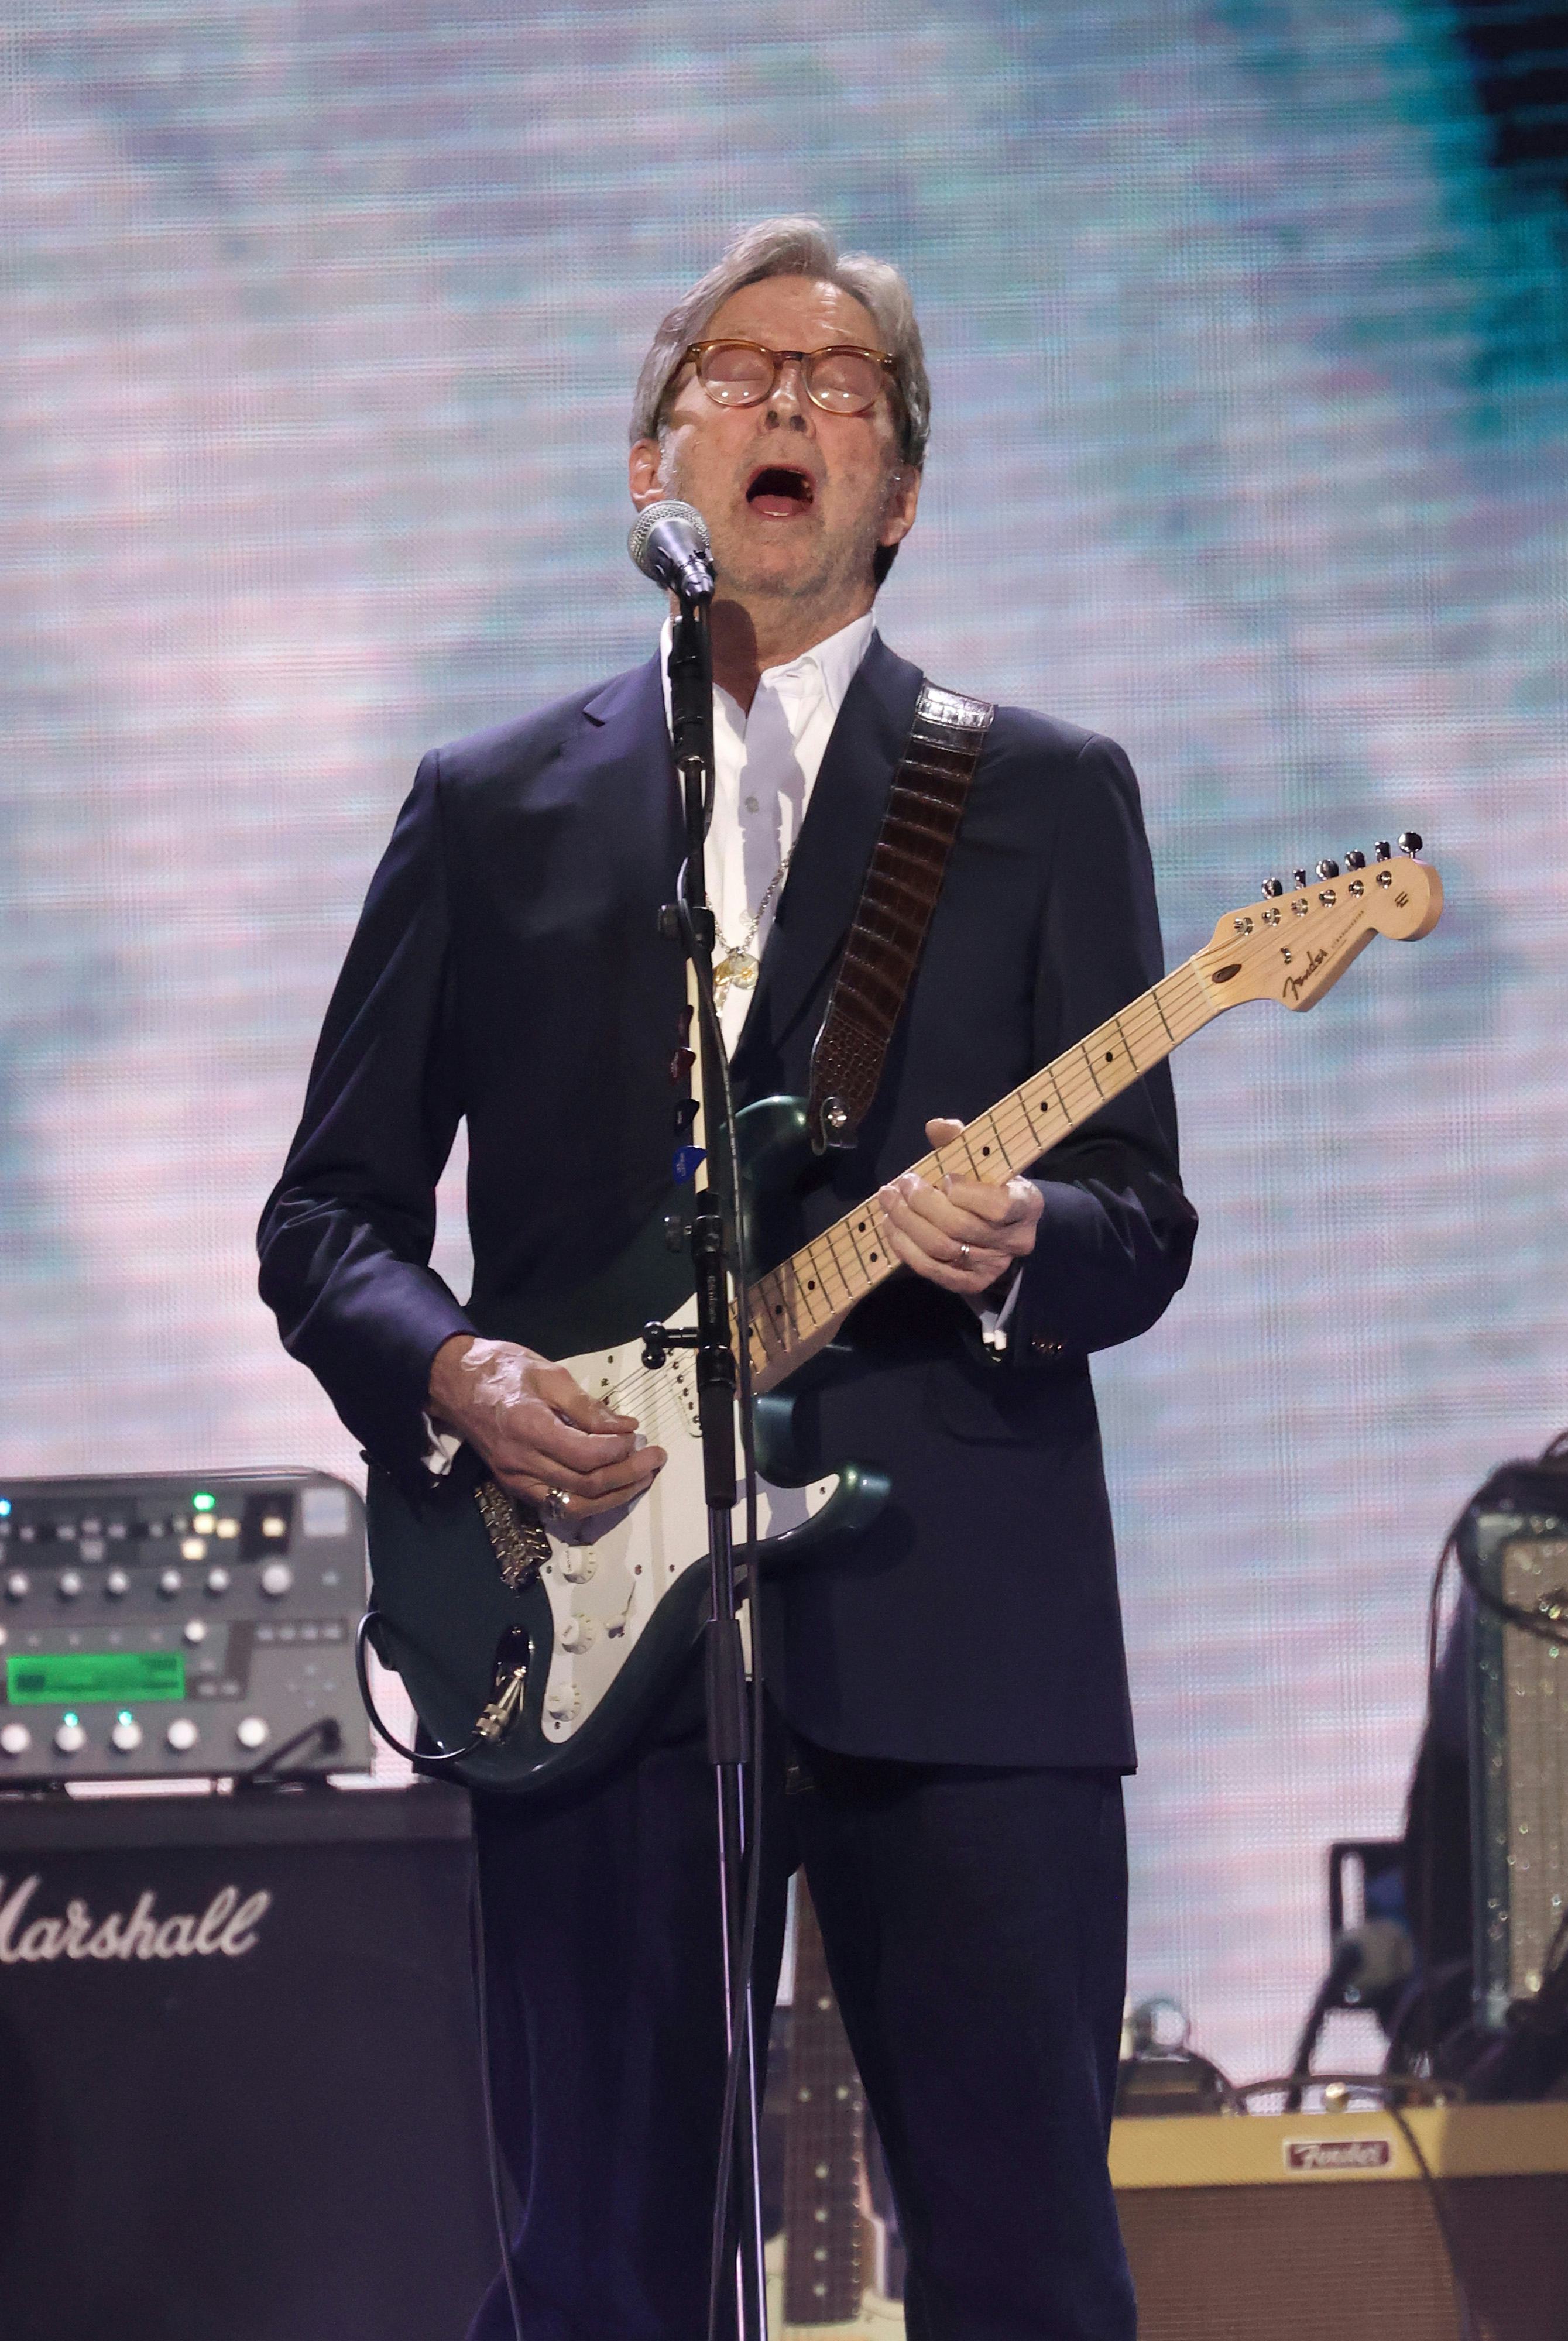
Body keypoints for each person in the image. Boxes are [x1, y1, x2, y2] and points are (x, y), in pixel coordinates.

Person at [259, 216, 1197, 2341]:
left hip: (962, 1620)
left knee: (1027, 2258)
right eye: (737, 371)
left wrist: (1028, 1236)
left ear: (901, 492)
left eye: (839, 381)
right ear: (649, 470)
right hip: (592, 1623)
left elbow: (1139, 1226)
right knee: (600, 2261)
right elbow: (328, 1220)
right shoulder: (495, 803)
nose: (786, 400)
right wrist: (464, 1372)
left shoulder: (1040, 792)